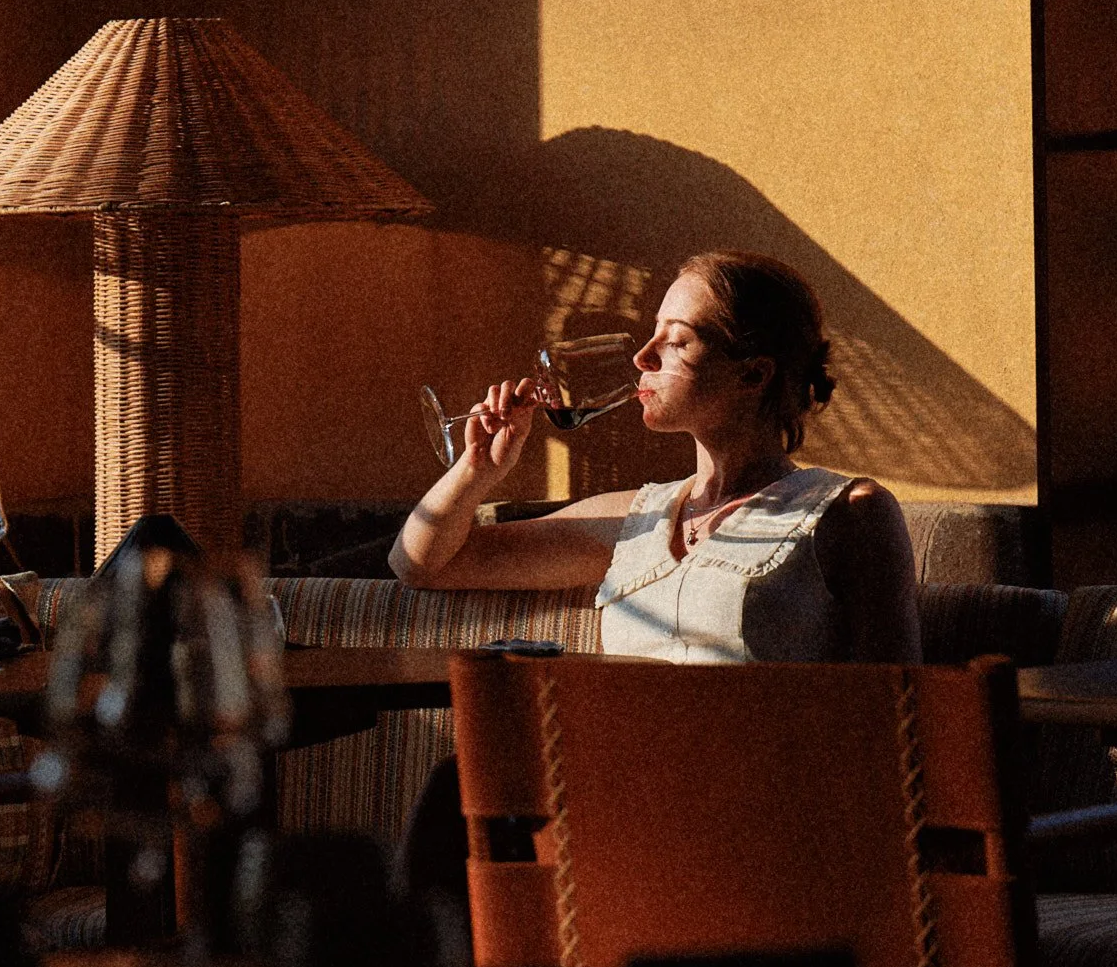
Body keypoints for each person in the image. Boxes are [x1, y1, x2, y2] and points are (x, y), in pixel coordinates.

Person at [391, 250, 920, 663]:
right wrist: (478, 471)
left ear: (753, 374)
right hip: (626, 784)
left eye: (678, 341)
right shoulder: (635, 519)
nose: (643, 357)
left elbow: (900, 709)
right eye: (652, 335)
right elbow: (421, 564)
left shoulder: (850, 513)